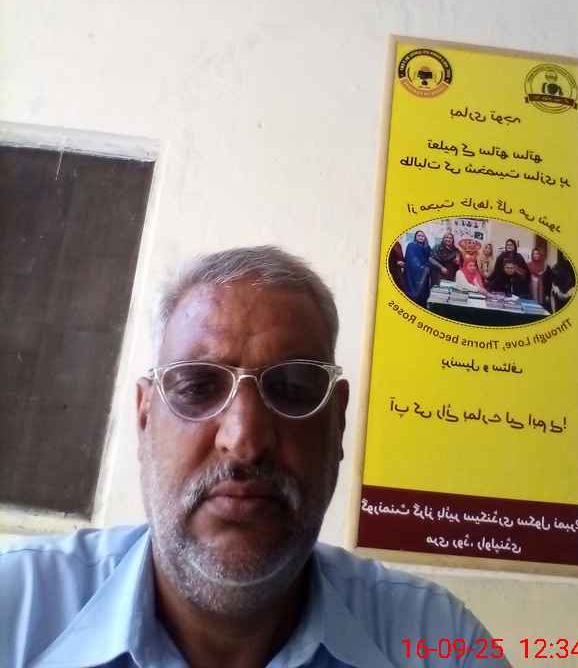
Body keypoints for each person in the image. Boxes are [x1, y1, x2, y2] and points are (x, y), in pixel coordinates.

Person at [0, 247, 512, 668]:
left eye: (292, 388)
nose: (244, 440)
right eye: (197, 387)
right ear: (144, 416)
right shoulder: (17, 610)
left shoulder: (441, 644)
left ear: (337, 423)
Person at [403, 230, 432, 307]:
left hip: (424, 274)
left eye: (422, 236)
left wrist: (427, 268)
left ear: (425, 237)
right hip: (412, 274)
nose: (421, 237)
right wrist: (421, 267)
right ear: (415, 237)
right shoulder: (411, 246)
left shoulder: (427, 247)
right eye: (419, 235)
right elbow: (411, 259)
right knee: (412, 294)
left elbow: (430, 259)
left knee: (422, 293)